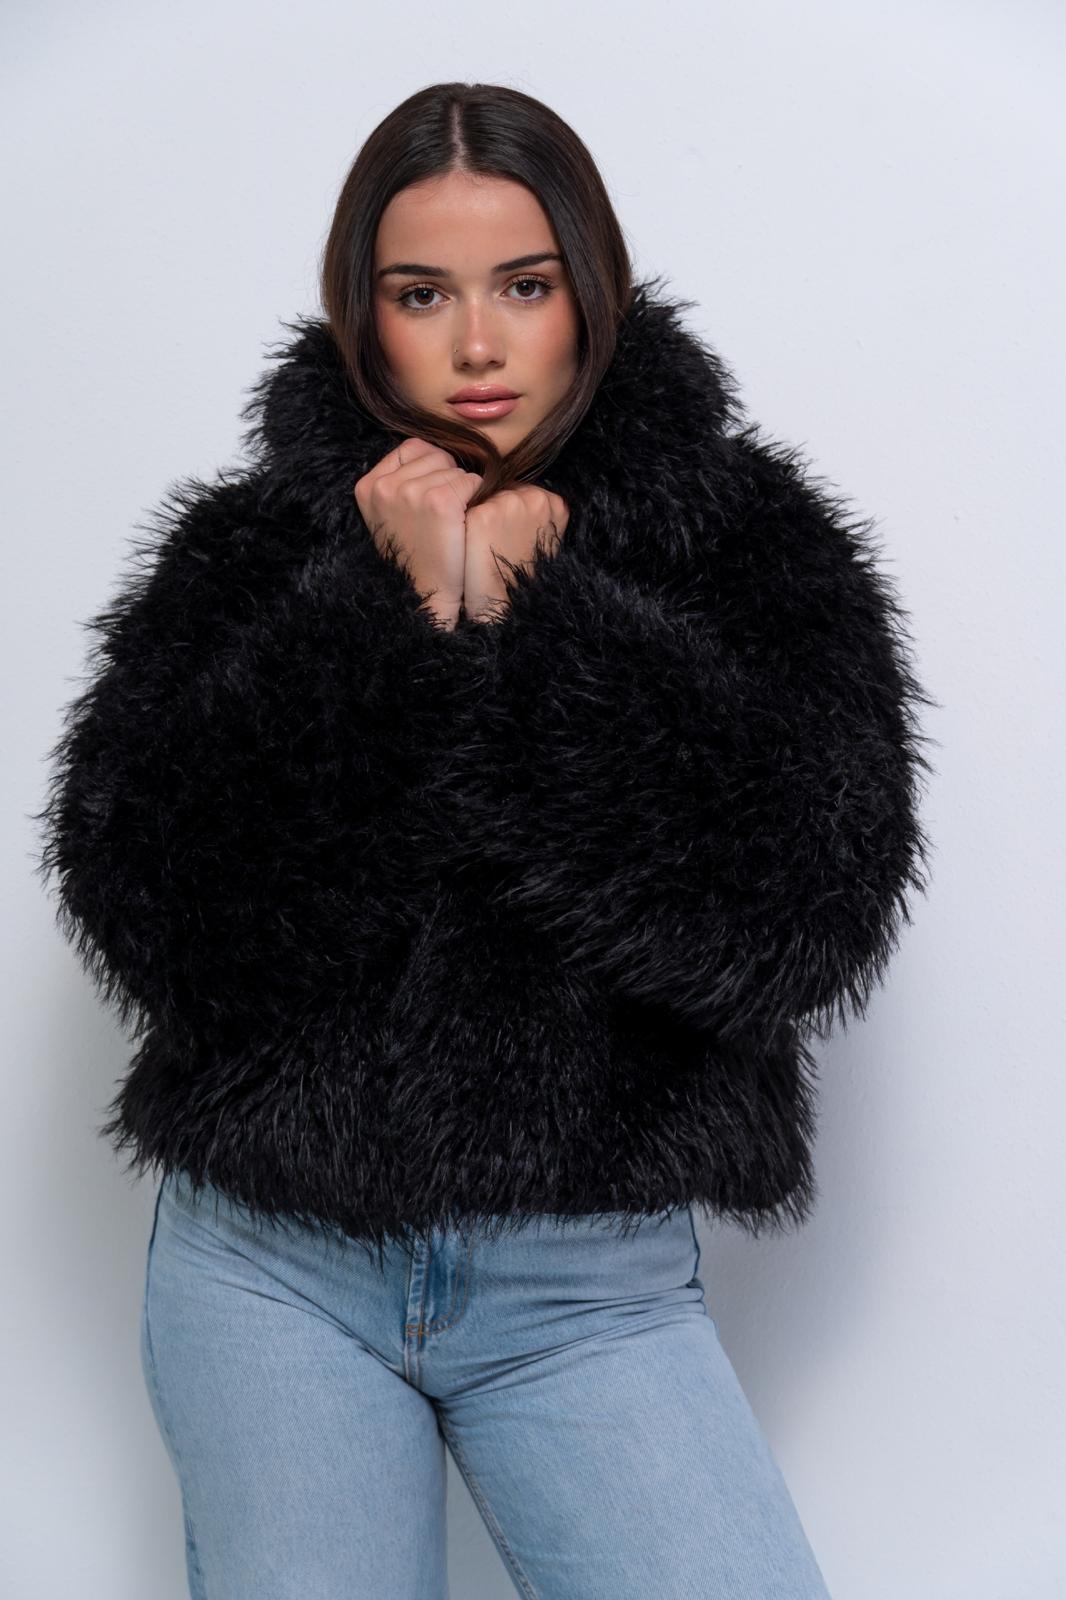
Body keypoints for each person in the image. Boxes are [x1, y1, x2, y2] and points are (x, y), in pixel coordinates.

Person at [34, 81, 934, 1600]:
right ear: (359, 315)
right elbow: (157, 915)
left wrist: (542, 622)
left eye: (524, 286)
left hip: (588, 1285)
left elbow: (802, 913)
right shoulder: (248, 553)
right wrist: (383, 614)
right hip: (270, 1271)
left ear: (595, 295)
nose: (474, 347)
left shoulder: (745, 547)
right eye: (419, 294)